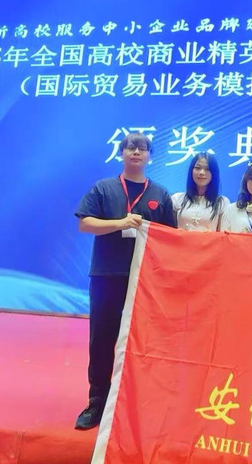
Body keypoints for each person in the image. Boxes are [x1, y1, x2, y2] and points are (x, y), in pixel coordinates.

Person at [73, 133, 176, 430]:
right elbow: (84, 223)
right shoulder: (104, 188)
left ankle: (136, 404)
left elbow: (170, 238)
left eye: (142, 148)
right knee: (102, 339)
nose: (136, 152)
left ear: (150, 156)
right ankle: (97, 402)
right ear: (121, 153)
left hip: (144, 280)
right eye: (131, 147)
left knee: (142, 341)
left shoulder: (160, 193)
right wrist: (121, 223)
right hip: (106, 275)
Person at [171, 152, 229, 231]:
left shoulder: (222, 203)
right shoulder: (177, 199)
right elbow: (168, 229)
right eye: (198, 168)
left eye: (207, 169)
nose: (202, 172)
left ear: (214, 173)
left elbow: (223, 234)